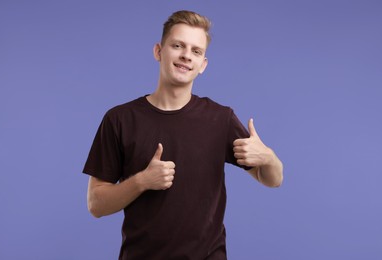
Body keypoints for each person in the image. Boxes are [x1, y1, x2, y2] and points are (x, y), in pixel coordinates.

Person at [83, 10, 283, 260]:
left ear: (203, 65)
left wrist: (269, 157)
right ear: (159, 51)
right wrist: (142, 181)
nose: (186, 56)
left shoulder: (220, 119)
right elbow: (96, 204)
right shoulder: (119, 119)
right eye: (178, 45)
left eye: (196, 51)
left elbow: (272, 179)